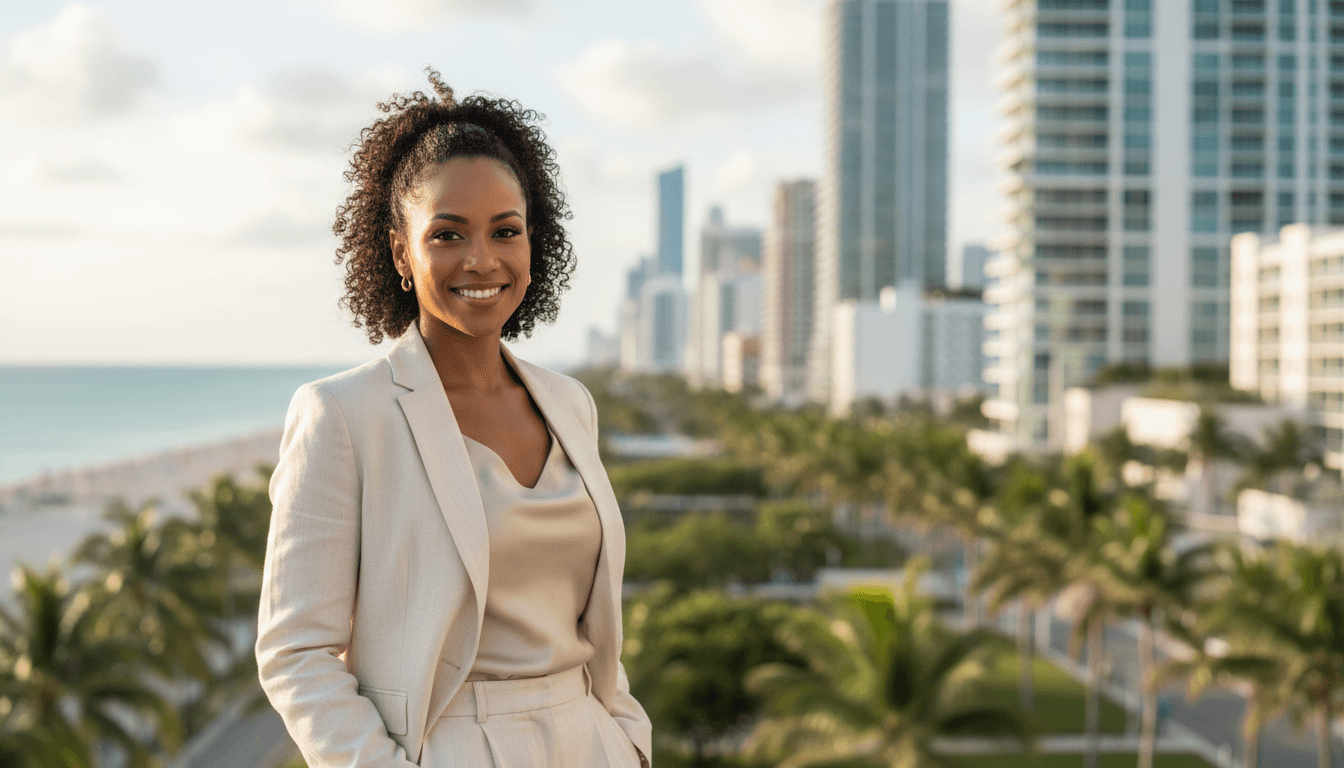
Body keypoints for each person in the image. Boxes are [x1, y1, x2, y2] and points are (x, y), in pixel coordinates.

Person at [255, 70, 652, 768]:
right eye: (447, 234)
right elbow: (296, 653)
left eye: (506, 231)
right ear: (401, 250)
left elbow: (591, 621)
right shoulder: (343, 416)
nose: (481, 259)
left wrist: (627, 737)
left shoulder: (571, 405)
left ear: (535, 243)